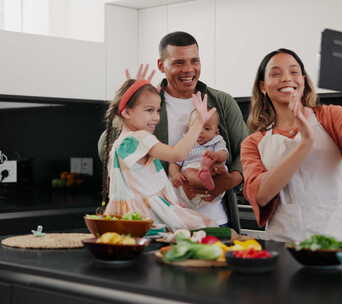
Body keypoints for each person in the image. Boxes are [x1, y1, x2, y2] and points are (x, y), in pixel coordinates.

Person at [240, 48, 342, 246]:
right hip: (285, 245)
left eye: (294, 71)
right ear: (263, 86)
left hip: (338, 242)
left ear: (303, 80)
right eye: (275, 73)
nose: (286, 78)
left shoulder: (330, 116)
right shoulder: (254, 142)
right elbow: (261, 194)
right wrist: (305, 144)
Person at [98, 31, 249, 230]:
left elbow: (245, 151)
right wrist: (133, 101)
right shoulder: (148, 103)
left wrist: (229, 181)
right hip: (163, 222)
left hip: (215, 220)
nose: (189, 69)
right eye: (179, 63)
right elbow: (106, 149)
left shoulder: (221, 102)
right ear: (161, 65)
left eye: (194, 61)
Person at [100, 76, 217, 231]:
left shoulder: (120, 143)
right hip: (149, 217)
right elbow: (178, 154)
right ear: (127, 112)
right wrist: (199, 122)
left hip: (125, 218)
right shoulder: (140, 138)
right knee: (210, 228)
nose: (156, 117)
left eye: (157, 110)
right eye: (149, 110)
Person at [168, 109, 229, 209]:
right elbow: (174, 162)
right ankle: (205, 180)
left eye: (207, 129)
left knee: (220, 169)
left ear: (216, 131)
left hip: (213, 175)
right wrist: (175, 174)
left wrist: (216, 155)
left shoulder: (216, 141)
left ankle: (207, 179)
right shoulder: (186, 143)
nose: (200, 132)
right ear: (188, 130)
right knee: (188, 173)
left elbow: (224, 154)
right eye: (196, 128)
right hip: (192, 175)